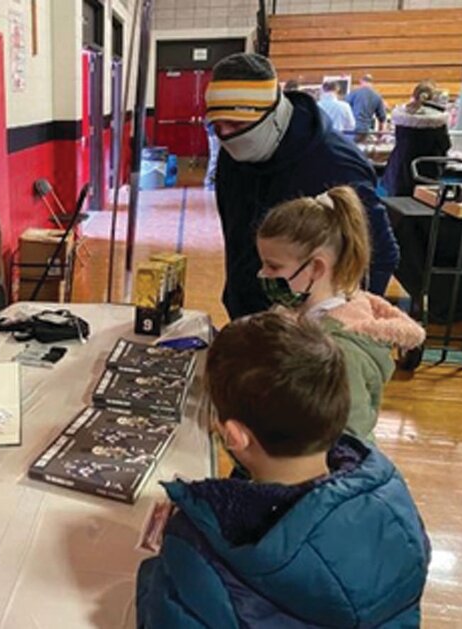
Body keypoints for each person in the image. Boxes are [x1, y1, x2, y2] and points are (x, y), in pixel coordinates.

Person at [136, 312, 430, 628]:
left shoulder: (198, 549)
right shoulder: (396, 503)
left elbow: (163, 615)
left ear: (235, 436)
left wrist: (162, 562)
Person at [205, 53, 399, 319]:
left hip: (309, 330)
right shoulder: (234, 154)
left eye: (236, 124)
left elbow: (379, 254)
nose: (226, 135)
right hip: (249, 314)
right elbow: (236, 233)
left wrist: (344, 324)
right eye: (217, 125)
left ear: (272, 115)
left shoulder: (336, 165)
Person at [256, 186, 425, 439]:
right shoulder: (291, 313)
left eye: (273, 266)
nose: (263, 274)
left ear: (315, 268)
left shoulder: (342, 354)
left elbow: (346, 444)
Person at [382, 80, 451, 196]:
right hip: (425, 172)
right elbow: (445, 144)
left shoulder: (403, 115)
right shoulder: (437, 120)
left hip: (398, 169)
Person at [346, 73, 387, 141]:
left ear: (361, 81)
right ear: (372, 83)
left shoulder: (353, 93)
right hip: (365, 130)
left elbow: (345, 108)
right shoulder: (377, 96)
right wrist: (381, 136)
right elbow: (382, 119)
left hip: (351, 129)